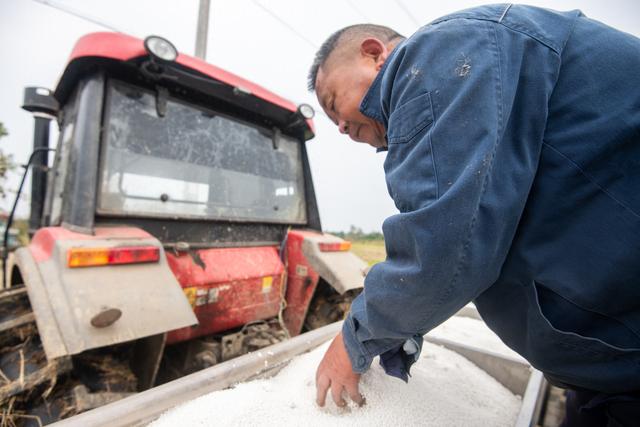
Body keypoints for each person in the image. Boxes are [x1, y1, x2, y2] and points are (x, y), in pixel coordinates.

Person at [307, 4, 640, 426]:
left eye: (334, 102)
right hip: (612, 368)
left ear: (375, 54)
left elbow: (443, 243)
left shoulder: (440, 54)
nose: (338, 126)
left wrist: (353, 341)